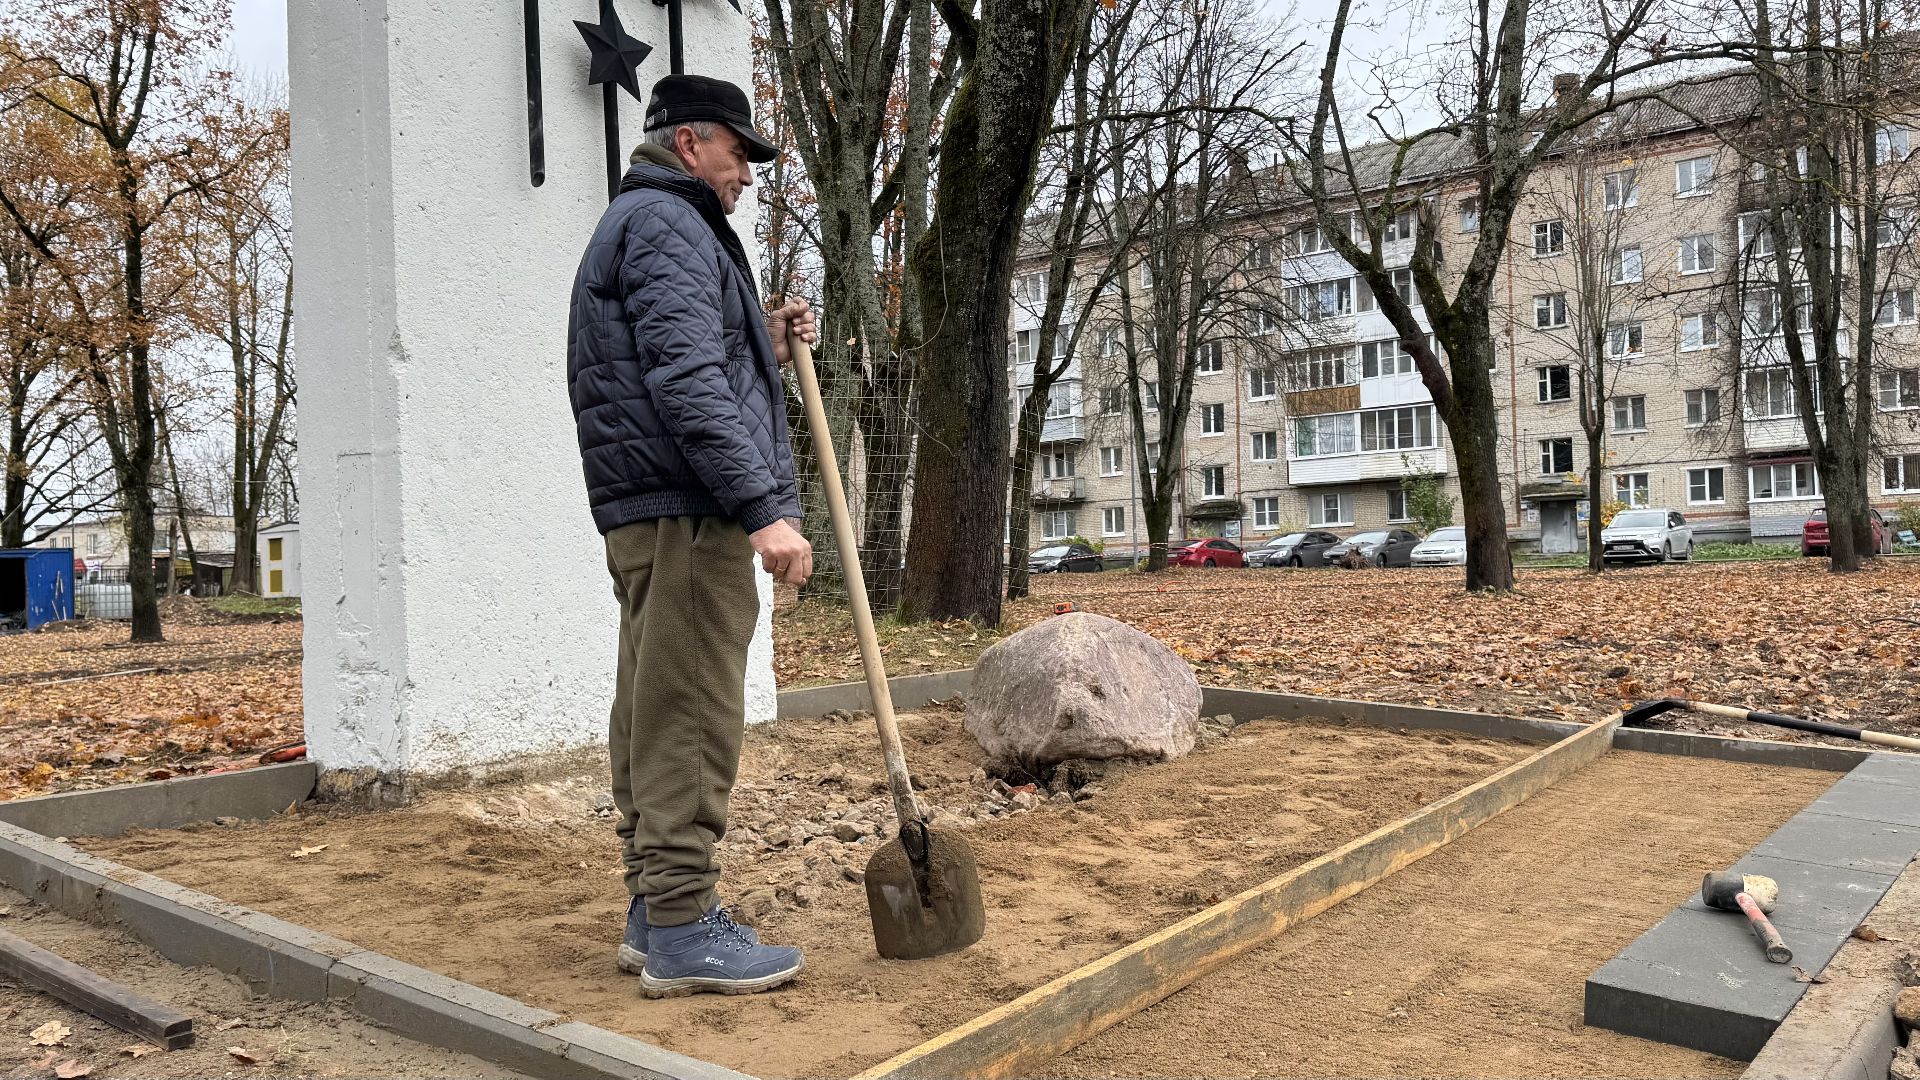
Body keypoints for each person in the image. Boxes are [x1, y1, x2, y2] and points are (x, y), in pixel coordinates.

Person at [566, 73, 816, 998]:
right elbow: (686, 383)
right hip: (688, 508)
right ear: (689, 143)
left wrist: (764, 341)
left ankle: (653, 910)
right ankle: (681, 927)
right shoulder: (670, 223)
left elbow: (689, 356)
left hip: (654, 503)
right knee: (691, 708)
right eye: (738, 152)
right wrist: (763, 511)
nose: (747, 172)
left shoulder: (648, 223)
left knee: (653, 699)